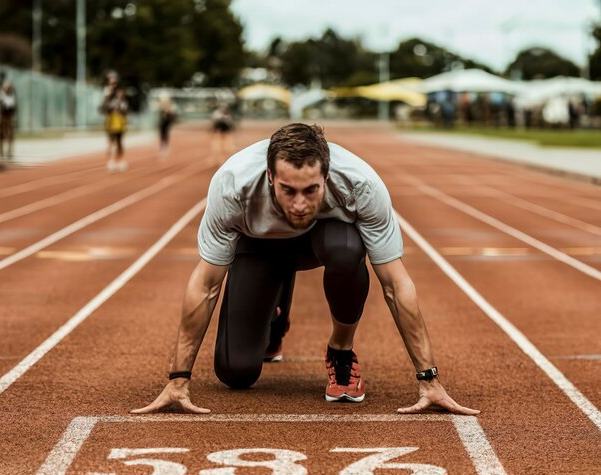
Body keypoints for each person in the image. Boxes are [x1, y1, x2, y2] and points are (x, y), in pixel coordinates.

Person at [132, 123, 479, 416]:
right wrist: (179, 378)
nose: (300, 204)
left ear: (327, 177)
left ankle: (340, 351)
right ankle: (275, 318)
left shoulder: (361, 185)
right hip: (259, 246)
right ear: (269, 176)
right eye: (288, 191)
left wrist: (428, 377)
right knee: (235, 372)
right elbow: (206, 285)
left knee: (347, 250)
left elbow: (395, 284)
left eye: (311, 190)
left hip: (324, 241)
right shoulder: (232, 186)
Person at [100, 71, 129, 171]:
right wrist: (108, 98)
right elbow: (103, 108)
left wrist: (121, 107)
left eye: (113, 80)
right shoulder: (107, 93)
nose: (112, 83)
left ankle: (120, 160)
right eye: (110, 80)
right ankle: (112, 160)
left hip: (119, 119)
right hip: (110, 119)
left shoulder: (120, 93)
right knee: (111, 141)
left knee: (119, 141)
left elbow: (125, 108)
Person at [0, 79, 17, 159]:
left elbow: (13, 105)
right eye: (5, 86)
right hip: (3, 116)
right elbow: (2, 104)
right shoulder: (1, 93)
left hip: (9, 116)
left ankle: (9, 152)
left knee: (10, 134)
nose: (6, 87)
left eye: (8, 86)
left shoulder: (12, 94)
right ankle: (0, 151)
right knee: (1, 134)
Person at [157, 91, 176, 156]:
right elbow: (160, 113)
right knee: (161, 134)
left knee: (166, 133)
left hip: (167, 121)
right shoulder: (161, 105)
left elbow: (172, 114)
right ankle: (162, 146)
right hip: (162, 121)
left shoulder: (169, 105)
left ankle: (166, 146)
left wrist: (167, 110)